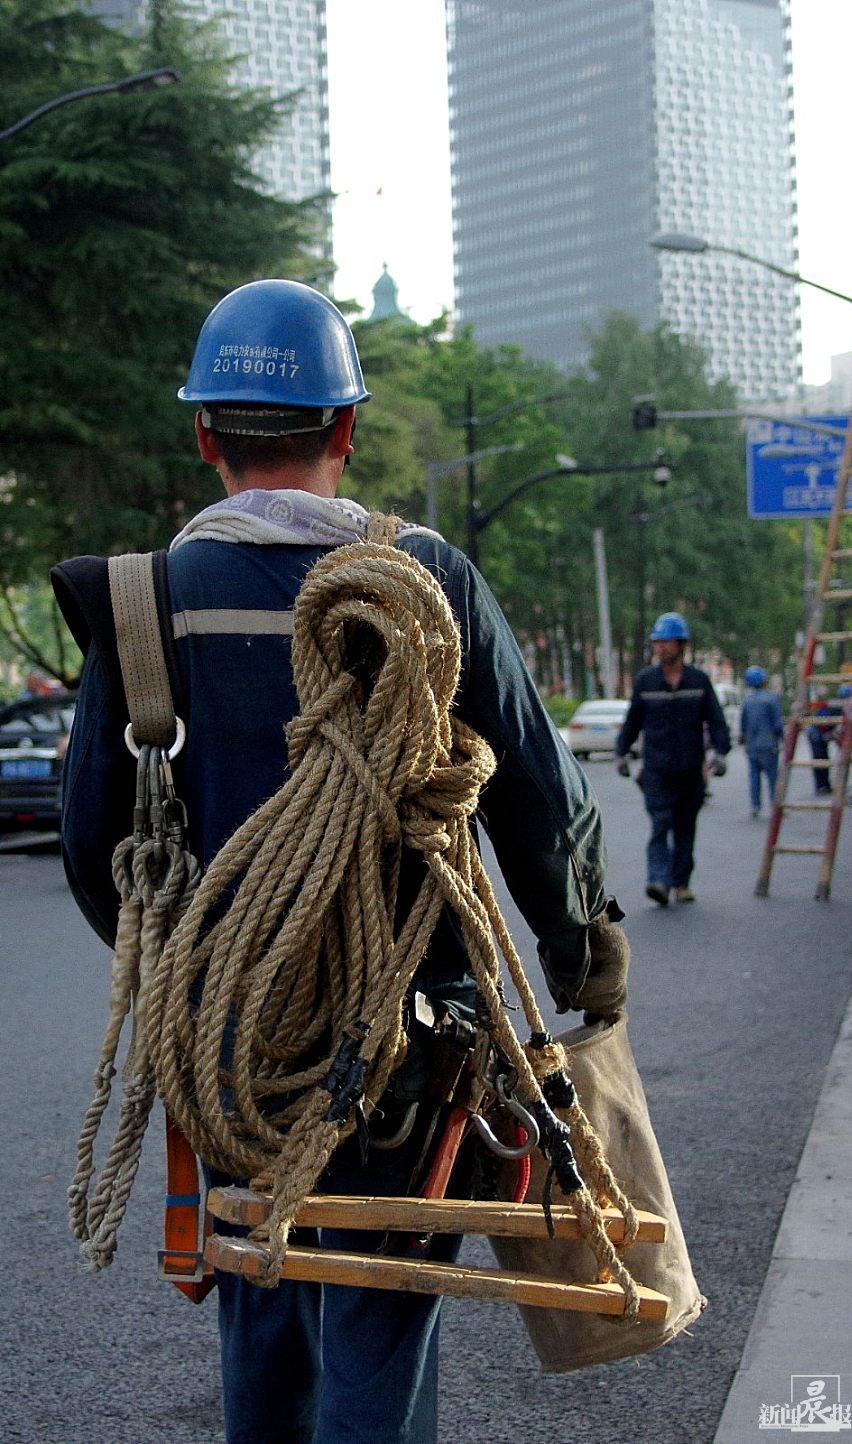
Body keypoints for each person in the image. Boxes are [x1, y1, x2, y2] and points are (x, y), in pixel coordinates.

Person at [52, 279, 628, 1444]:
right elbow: (535, 797)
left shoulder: (144, 605)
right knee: (379, 1320)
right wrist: (584, 952)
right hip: (407, 1057)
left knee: (266, 1315)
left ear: (204, 435)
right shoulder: (430, 587)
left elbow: (93, 846)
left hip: (233, 1063)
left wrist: (209, 975)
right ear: (349, 431)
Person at [613, 610, 730, 907]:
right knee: (660, 824)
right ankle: (659, 881)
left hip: (691, 771)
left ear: (681, 645)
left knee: (685, 827)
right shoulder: (646, 681)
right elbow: (632, 721)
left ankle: (681, 883)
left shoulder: (698, 681)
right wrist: (621, 752)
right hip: (657, 770)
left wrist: (720, 751)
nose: (660, 648)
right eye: (657, 642)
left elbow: (716, 721)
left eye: (666, 642)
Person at [740, 665, 783, 818]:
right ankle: (776, 805)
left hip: (752, 746)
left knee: (754, 777)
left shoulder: (747, 700)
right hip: (769, 744)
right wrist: (781, 738)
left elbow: (743, 724)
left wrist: (744, 740)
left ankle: (755, 805)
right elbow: (777, 724)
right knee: (772, 777)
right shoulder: (771, 699)